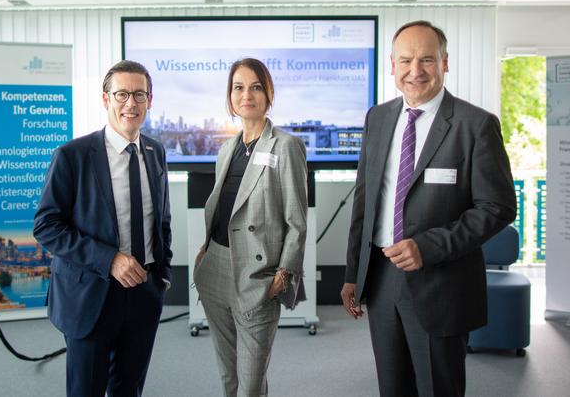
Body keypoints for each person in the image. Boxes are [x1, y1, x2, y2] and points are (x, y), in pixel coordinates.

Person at [340, 21, 516, 396]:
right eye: (405, 60)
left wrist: (429, 246)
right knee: (393, 387)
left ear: (445, 62)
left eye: (426, 60)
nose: (415, 71)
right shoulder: (378, 118)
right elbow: (365, 200)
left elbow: (498, 207)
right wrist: (354, 272)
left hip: (442, 283)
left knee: (438, 388)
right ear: (391, 65)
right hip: (382, 278)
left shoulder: (475, 125)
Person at [34, 60, 172, 397]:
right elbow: (46, 226)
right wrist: (109, 260)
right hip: (91, 294)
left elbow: (162, 220)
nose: (131, 104)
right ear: (105, 99)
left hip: (143, 292)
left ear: (150, 100)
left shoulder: (155, 152)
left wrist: (162, 275)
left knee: (129, 390)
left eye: (139, 95)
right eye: (122, 94)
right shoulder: (73, 155)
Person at [193, 58, 308, 397]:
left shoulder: (285, 146)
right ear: (230, 97)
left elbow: (297, 221)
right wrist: (203, 252)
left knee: (251, 385)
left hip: (257, 275)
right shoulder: (227, 148)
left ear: (268, 94)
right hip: (215, 268)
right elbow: (222, 208)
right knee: (229, 378)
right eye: (238, 87)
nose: (247, 95)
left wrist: (284, 275)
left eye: (256, 86)